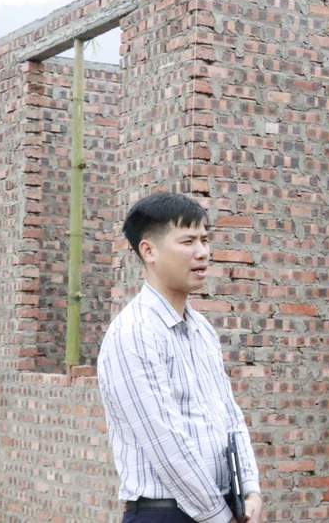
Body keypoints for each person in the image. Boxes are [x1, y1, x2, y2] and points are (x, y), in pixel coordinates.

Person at [97, 192, 262, 523]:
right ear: (149, 250)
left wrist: (250, 489)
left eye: (204, 239)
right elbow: (165, 443)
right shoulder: (133, 333)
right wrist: (219, 516)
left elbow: (230, 416)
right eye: (188, 241)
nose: (202, 252)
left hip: (223, 508)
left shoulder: (202, 331)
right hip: (166, 514)